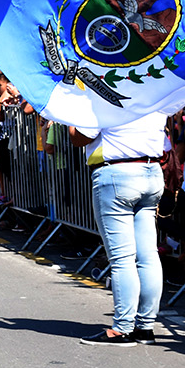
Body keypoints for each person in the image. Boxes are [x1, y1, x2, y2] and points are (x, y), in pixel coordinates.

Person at [71, 112, 168, 344]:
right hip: (150, 170)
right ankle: (145, 327)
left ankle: (123, 327)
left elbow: (80, 137)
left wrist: (70, 113)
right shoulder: (154, 85)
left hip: (117, 173)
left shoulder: (107, 92)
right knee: (148, 255)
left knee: (122, 258)